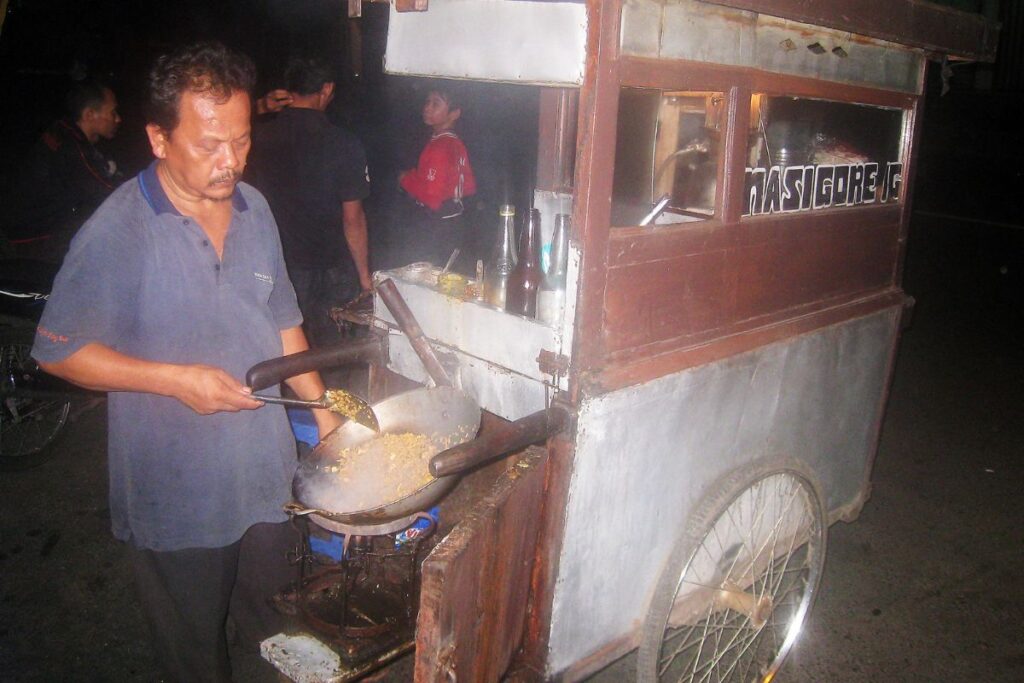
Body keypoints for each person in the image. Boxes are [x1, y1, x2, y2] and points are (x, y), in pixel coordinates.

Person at [31, 42, 341, 683]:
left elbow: (284, 320)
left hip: (267, 480)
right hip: (176, 492)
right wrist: (175, 381)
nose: (231, 161)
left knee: (283, 637)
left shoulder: (255, 209)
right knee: (196, 657)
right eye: (209, 145)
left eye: (242, 140)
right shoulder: (121, 227)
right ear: (159, 139)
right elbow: (59, 351)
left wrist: (324, 413)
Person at [246, 56, 372, 348]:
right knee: (335, 349)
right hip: (333, 265)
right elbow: (353, 218)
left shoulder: (260, 138)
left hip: (281, 264)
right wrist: (365, 277)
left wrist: (260, 108)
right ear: (326, 89)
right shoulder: (344, 143)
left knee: (289, 346)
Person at [0, 77, 124, 258]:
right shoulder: (71, 148)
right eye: (113, 113)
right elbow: (106, 191)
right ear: (89, 114)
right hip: (30, 237)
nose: (118, 119)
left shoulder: (63, 129)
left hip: (24, 225)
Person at [398, 86, 477, 266]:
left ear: (454, 114)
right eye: (427, 102)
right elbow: (467, 185)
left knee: (429, 273)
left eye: (436, 104)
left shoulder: (440, 147)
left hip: (438, 227)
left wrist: (404, 179)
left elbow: (432, 198)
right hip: (456, 219)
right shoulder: (454, 142)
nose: (427, 108)